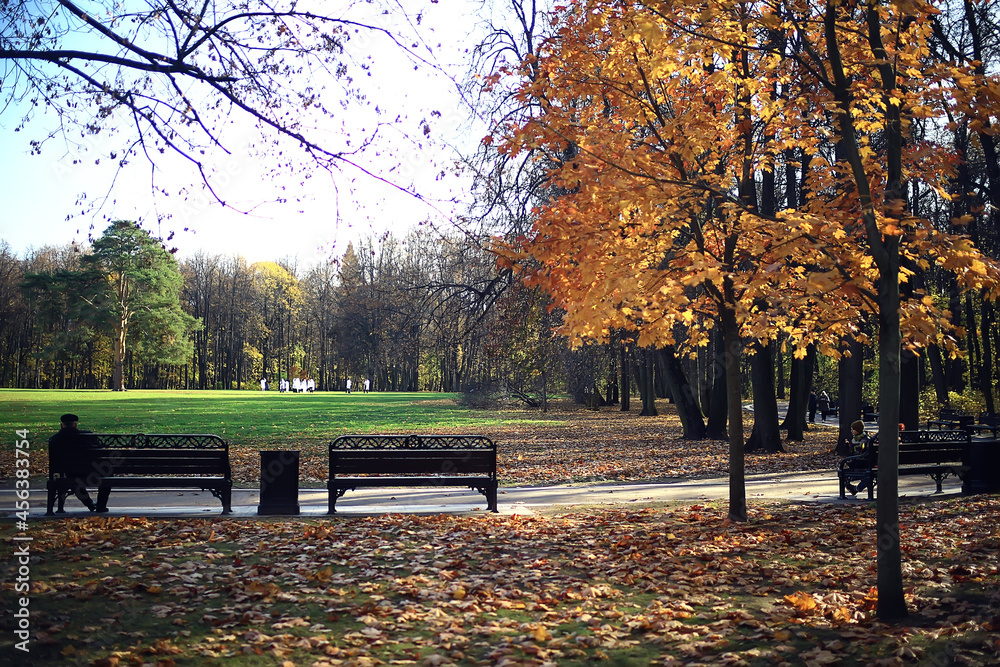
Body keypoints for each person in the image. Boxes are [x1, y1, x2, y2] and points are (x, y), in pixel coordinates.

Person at [47, 414, 106, 512]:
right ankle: (101, 505)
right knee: (107, 475)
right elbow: (99, 451)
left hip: (70, 472)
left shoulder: (55, 439)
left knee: (72, 480)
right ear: (75, 425)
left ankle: (89, 504)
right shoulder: (88, 436)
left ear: (61, 425)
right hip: (91, 470)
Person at [844, 419, 874, 496]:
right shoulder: (863, 438)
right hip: (866, 462)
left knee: (843, 472)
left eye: (853, 429)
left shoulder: (862, 440)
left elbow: (858, 453)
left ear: (858, 429)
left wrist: (850, 447)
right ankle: (854, 488)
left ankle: (855, 488)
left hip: (863, 462)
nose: (851, 431)